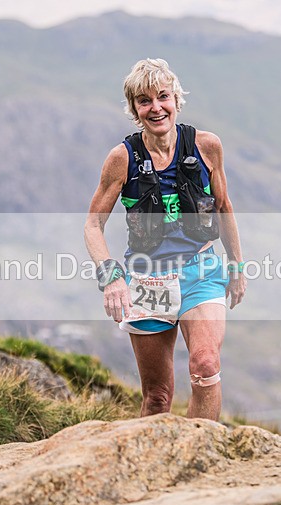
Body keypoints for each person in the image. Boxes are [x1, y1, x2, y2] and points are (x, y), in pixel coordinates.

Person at [84, 58, 246, 421]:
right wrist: (111, 278)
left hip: (200, 271)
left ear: (176, 99)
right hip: (147, 278)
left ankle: (201, 460)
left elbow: (223, 207)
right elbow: (93, 225)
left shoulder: (207, 146)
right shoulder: (122, 158)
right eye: (144, 101)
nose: (156, 107)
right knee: (158, 396)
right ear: (134, 110)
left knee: (205, 365)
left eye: (163, 97)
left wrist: (236, 266)